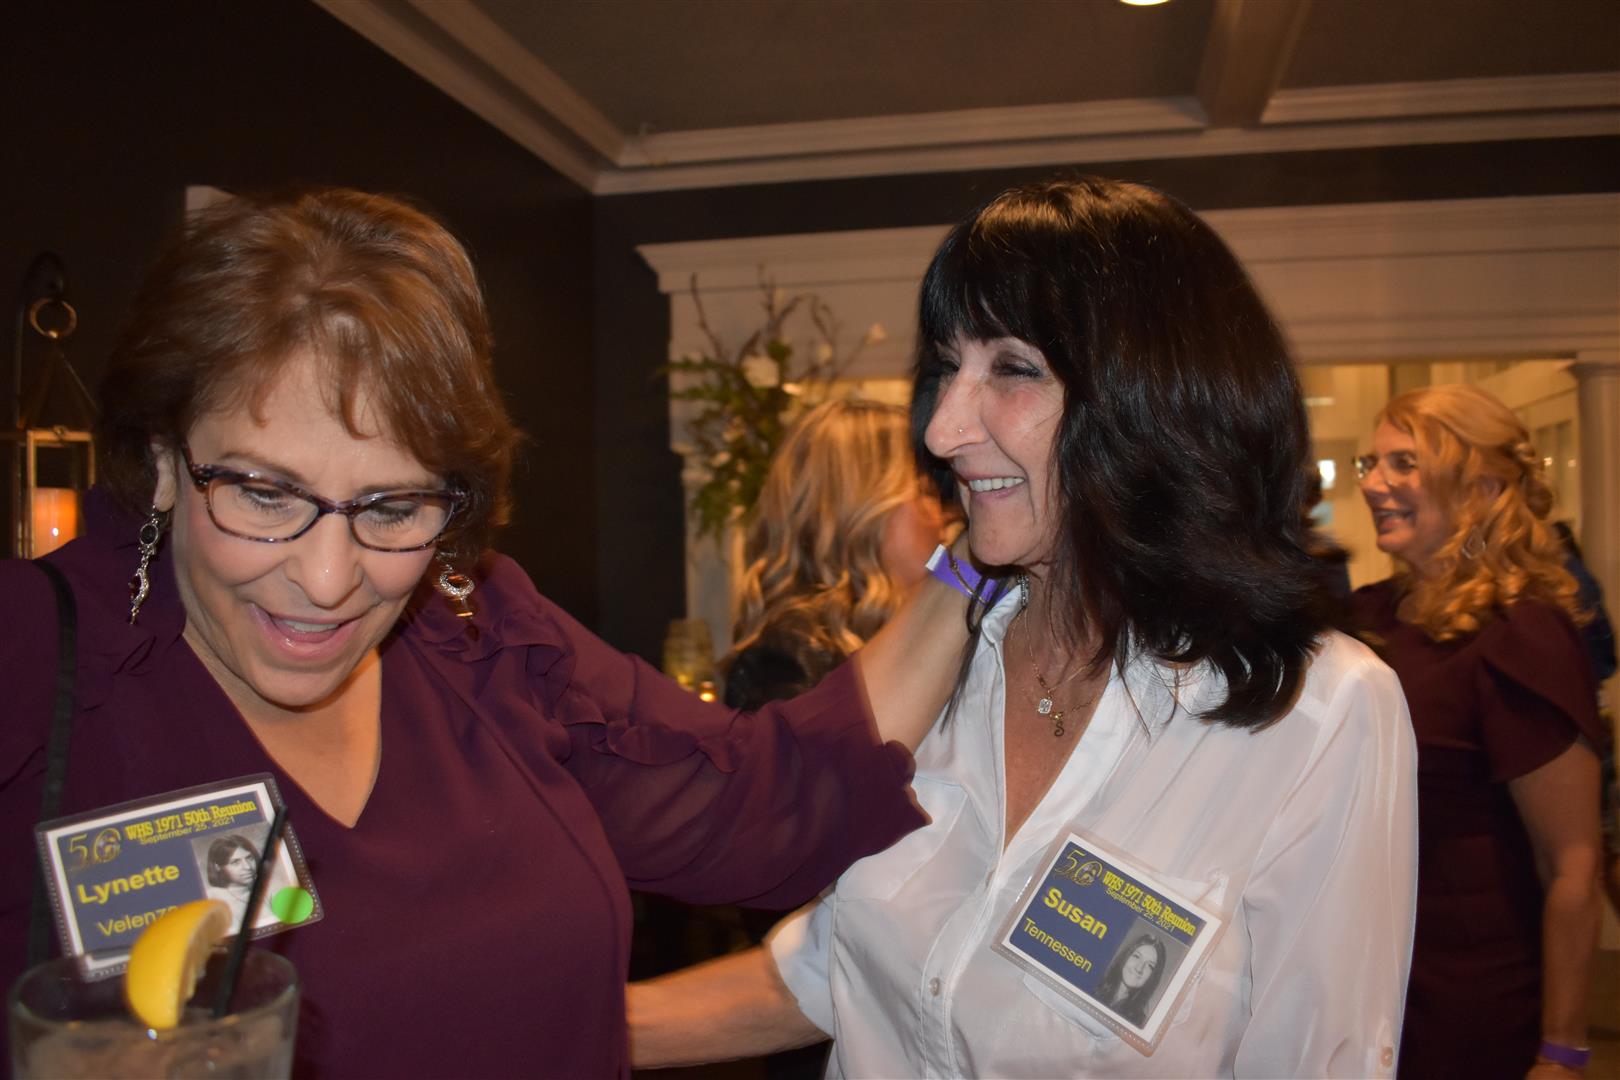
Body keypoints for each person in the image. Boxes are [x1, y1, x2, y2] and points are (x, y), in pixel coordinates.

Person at [0, 188, 968, 1077]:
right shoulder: (32, 656)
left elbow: (760, 804)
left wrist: (976, 557)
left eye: (393, 506)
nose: (329, 582)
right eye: (264, 493)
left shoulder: (477, 625)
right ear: (163, 461)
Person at [629, 177, 1418, 1077]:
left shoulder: (1320, 712)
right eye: (947, 367)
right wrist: (554, 1024)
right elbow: (837, 963)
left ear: (1153, 398)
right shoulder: (943, 659)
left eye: (1011, 369)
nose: (942, 429)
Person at [1350, 383, 1607, 1080]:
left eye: (1403, 463)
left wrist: (1563, 1049)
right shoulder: (1369, 618)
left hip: (1472, 997)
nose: (1373, 483)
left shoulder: (1522, 637)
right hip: (1374, 978)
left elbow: (1572, 865)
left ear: (1483, 485)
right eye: (1371, 463)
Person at [724, 397, 947, 710]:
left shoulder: (915, 625)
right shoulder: (788, 665)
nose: (942, 517)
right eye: (926, 493)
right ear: (864, 512)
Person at [1094, 933, 1167, 1028]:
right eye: (1136, 956)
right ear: (1126, 956)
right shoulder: (1092, 983)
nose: (1139, 968)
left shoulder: (1138, 1022)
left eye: (1150, 966)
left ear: (1153, 976)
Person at [201, 834, 259, 928]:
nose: (248, 867)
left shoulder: (264, 890)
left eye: (249, 858)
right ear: (218, 867)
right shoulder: (212, 899)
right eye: (235, 862)